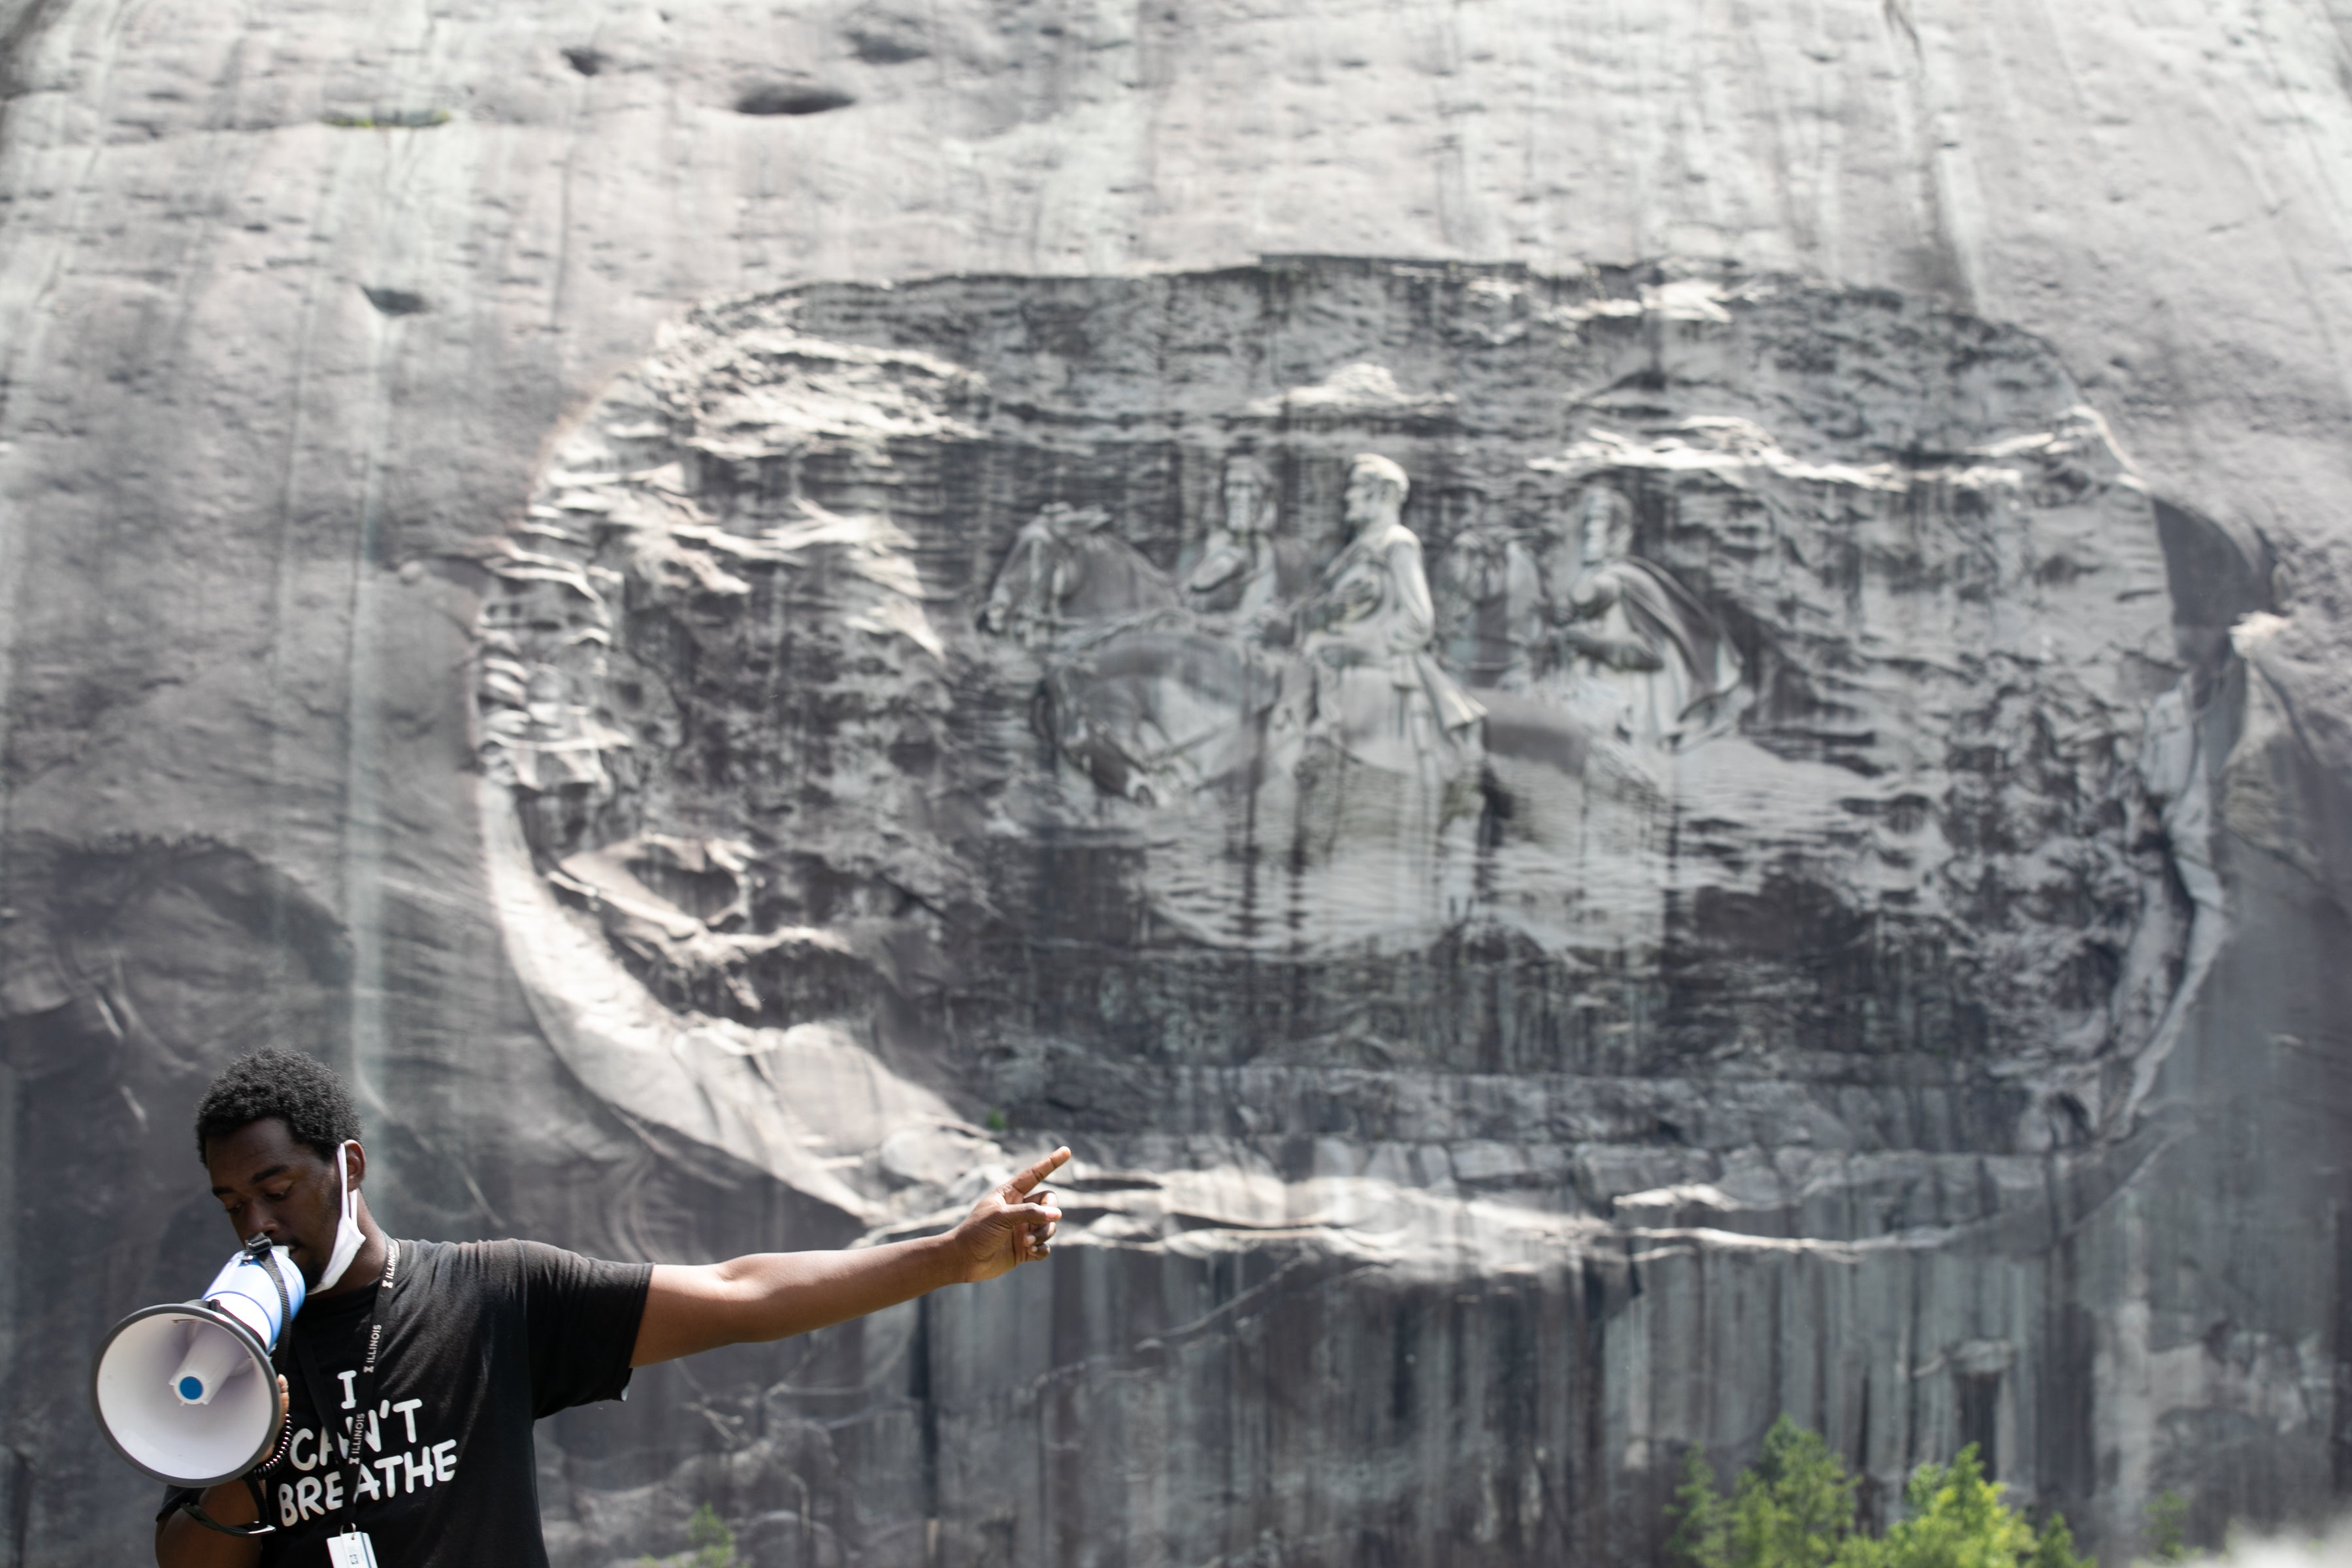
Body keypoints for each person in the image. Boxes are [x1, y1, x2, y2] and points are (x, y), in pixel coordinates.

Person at [154, 1049, 1064, 1568]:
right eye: (232, 1203)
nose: (257, 1223)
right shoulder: (229, 1347)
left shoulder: (490, 1294)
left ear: (348, 1168)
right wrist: (243, 1444)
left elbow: (737, 1295)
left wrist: (946, 1259)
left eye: (276, 1186)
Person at [1298, 454, 1483, 776]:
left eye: (1356, 487)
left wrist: (1358, 648)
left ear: (1382, 493)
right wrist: (1332, 608)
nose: (1347, 496)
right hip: (1328, 662)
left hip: (1376, 664)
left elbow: (1418, 622)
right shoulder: (1352, 553)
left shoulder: (1397, 544)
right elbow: (1316, 608)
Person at [1544, 483, 1742, 747]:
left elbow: (1652, 653)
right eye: (1589, 521)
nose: (1591, 530)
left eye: (1600, 521)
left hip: (1624, 719)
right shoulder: (1592, 578)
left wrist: (1594, 645)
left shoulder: (1630, 582)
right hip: (1583, 703)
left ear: (1620, 531)